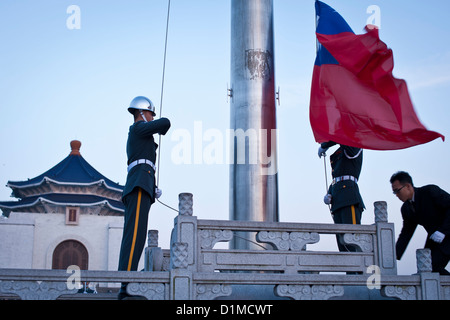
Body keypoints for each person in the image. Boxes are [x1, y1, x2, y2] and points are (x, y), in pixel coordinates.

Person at [118, 96, 171, 299]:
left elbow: (146, 162)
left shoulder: (142, 135)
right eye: (150, 113)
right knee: (134, 238)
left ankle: (126, 282)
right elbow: (165, 123)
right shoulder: (137, 128)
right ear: (141, 113)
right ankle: (126, 286)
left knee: (136, 236)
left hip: (143, 184)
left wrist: (153, 185)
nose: (152, 117)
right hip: (139, 184)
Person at [390, 171, 450, 275]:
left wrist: (442, 231)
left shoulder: (430, 191)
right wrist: (393, 256)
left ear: (408, 186)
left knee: (433, 267)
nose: (396, 195)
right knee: (427, 267)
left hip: (446, 232)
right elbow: (406, 233)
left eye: (397, 191)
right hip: (435, 239)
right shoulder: (406, 209)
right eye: (394, 192)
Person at [318, 141, 365, 252]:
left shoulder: (355, 145)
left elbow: (342, 139)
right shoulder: (339, 152)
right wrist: (330, 192)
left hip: (349, 198)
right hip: (337, 200)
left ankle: (356, 269)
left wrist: (325, 144)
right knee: (342, 244)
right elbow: (338, 177)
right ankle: (350, 270)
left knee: (352, 240)